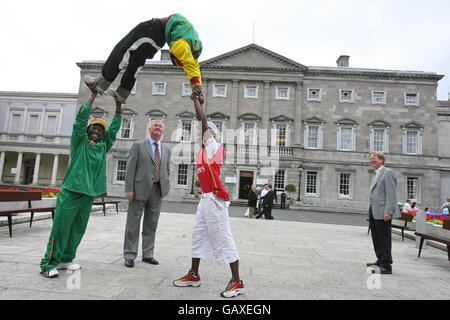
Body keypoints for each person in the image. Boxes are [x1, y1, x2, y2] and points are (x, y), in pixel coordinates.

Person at [40, 83, 122, 278]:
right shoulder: (80, 141)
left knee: (77, 229)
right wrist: (93, 96)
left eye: (100, 129)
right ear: (88, 130)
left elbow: (114, 128)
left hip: (88, 195)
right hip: (71, 192)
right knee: (61, 229)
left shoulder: (103, 145)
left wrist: (118, 105)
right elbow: (80, 120)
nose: (96, 131)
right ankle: (48, 264)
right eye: (93, 127)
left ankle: (66, 259)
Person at [173, 97, 244, 298]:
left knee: (223, 238)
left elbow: (202, 121)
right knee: (198, 236)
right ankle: (194, 275)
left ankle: (237, 281)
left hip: (215, 200)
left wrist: (196, 101)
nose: (200, 133)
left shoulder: (213, 146)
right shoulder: (202, 151)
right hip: (205, 200)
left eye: (203, 131)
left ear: (211, 133)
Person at [84, 13, 204, 104]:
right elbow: (193, 66)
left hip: (153, 30)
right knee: (137, 61)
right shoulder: (193, 51)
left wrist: (195, 85)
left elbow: (188, 63)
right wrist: (197, 86)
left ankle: (101, 82)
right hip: (159, 41)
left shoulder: (182, 46)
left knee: (124, 48)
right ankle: (123, 93)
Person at [123, 120, 171, 268]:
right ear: (149, 129)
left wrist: (165, 187)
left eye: (160, 126)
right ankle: (130, 254)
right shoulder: (138, 145)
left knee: (151, 224)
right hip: (138, 190)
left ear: (162, 131)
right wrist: (129, 189)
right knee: (133, 223)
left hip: (157, 190)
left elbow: (167, 169)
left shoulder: (166, 149)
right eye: (155, 125)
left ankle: (148, 254)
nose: (158, 127)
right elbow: (130, 168)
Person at [366, 152, 400, 275]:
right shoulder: (375, 174)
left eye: (374, 158)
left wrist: (388, 211)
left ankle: (386, 264)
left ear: (381, 160)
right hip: (374, 210)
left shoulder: (387, 173)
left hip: (383, 211)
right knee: (376, 236)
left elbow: (391, 194)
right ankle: (380, 259)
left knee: (384, 238)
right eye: (370, 159)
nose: (372, 161)